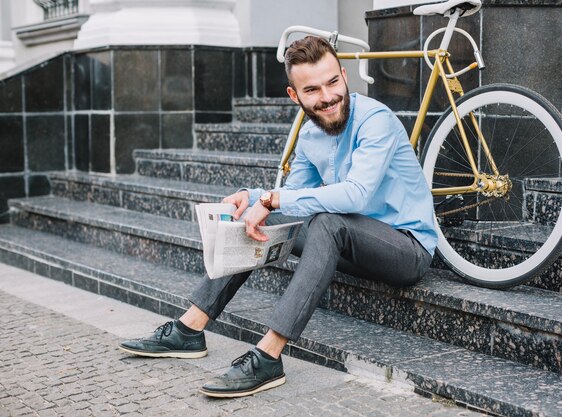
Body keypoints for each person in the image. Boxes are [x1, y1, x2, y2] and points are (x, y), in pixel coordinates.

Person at [119, 35, 437, 398]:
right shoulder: (310, 135)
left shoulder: (375, 120)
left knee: (326, 222)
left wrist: (271, 198)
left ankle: (269, 356)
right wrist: (252, 199)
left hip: (406, 249)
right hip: (352, 245)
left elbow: (356, 193)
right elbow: (291, 199)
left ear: (345, 76)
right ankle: (189, 330)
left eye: (333, 82)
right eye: (313, 89)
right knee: (256, 218)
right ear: (294, 95)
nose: (328, 96)